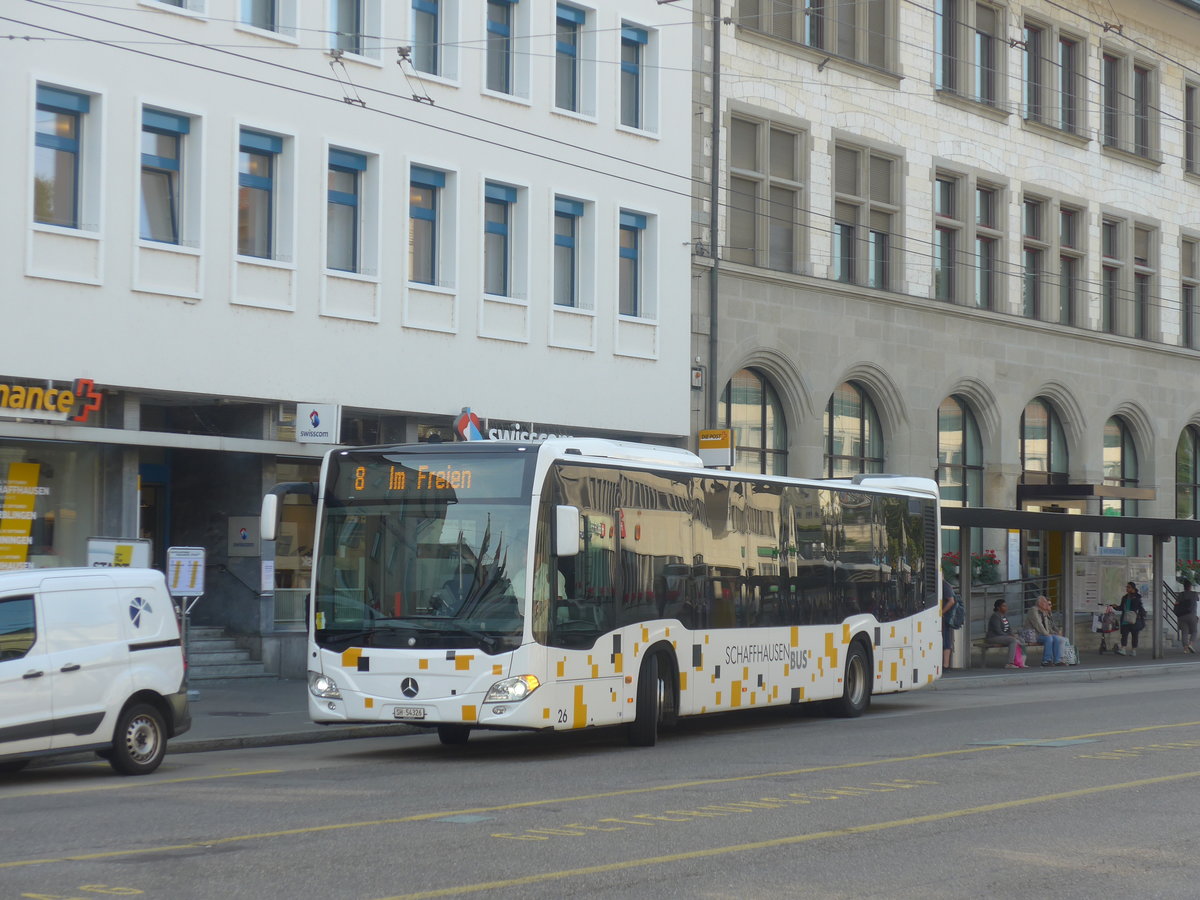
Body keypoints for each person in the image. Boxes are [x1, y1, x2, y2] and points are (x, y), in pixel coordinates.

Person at [1024, 595, 1065, 666]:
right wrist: (1047, 634)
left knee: (1056, 638)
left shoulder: (1043, 612)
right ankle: (1046, 660)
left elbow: (1047, 627)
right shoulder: (1033, 610)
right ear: (1040, 603)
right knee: (1049, 638)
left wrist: (1053, 633)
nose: (1047, 604)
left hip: (1041, 634)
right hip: (1032, 635)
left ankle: (1057, 660)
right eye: (1045, 602)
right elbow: (1038, 624)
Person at [986, 598, 1025, 669]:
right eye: (1004, 606)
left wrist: (1013, 635)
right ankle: (1010, 663)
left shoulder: (1004, 616)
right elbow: (998, 631)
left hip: (1003, 637)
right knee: (1012, 640)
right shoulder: (995, 616)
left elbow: (1009, 629)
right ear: (998, 608)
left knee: (1021, 639)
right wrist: (1010, 636)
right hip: (994, 637)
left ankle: (1021, 662)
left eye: (1006, 606)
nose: (1006, 607)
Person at [1112, 581, 1146, 657]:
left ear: (1133, 588)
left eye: (1128, 587)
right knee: (1124, 634)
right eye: (1126, 587)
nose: (1127, 588)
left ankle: (1133, 650)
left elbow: (1139, 607)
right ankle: (1123, 649)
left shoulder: (1137, 597)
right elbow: (1121, 608)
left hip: (1134, 619)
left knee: (1135, 635)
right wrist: (1115, 607)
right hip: (1125, 618)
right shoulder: (1125, 597)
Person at [1176, 578, 1199, 653]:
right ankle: (1190, 644)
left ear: (1184, 587)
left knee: (1184, 632)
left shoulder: (1181, 594)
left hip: (1182, 616)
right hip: (1192, 615)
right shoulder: (1195, 594)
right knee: (1194, 631)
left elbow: (1176, 604)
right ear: (1190, 586)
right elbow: (1197, 601)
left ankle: (1185, 648)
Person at [941, 578, 958, 669]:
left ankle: (946, 665)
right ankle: (945, 664)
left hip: (945, 617)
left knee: (946, 639)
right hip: (945, 617)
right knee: (945, 638)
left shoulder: (944, 585)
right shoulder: (944, 584)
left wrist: (941, 612)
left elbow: (951, 601)